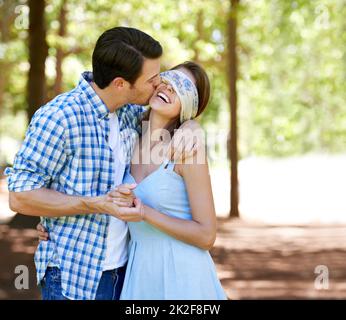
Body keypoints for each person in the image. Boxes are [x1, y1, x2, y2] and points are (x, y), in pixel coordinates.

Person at [5, 27, 199, 300]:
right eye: (152, 79)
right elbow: (20, 197)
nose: (159, 85)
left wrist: (192, 126)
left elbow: (174, 112)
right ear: (121, 83)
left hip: (127, 273)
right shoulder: (60, 118)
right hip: (74, 277)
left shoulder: (131, 114)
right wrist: (94, 204)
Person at [38, 62, 227, 300]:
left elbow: (206, 235)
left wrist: (145, 213)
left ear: (191, 106)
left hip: (183, 275)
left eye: (181, 88)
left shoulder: (187, 149)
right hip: (137, 273)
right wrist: (53, 221)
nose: (168, 89)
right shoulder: (129, 135)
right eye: (167, 81)